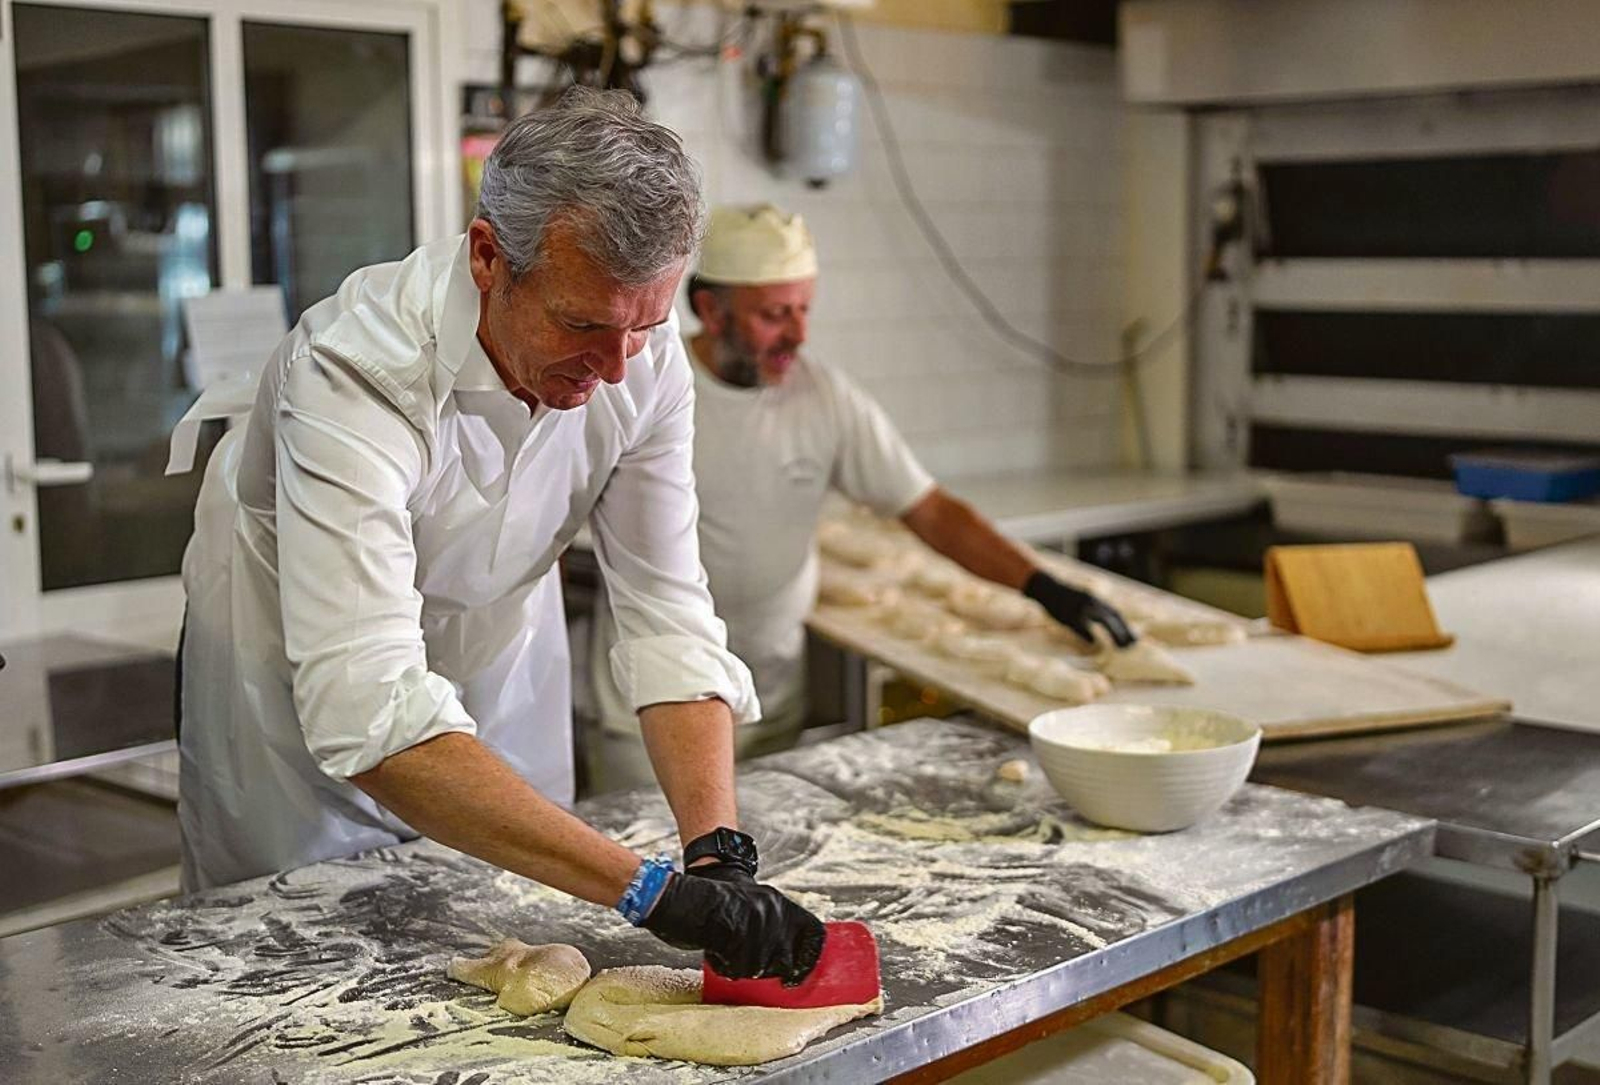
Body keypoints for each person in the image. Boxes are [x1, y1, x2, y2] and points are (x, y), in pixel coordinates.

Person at [171, 92, 822, 984]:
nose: (615, 368)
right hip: (292, 697)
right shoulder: (354, 371)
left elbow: (668, 613)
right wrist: (650, 896)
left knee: (507, 950)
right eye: (582, 324)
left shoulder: (639, 355)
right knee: (301, 974)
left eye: (646, 325)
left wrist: (716, 856)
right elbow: (366, 706)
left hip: (496, 656)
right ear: (487, 258)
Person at [588, 203, 1133, 790]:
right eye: (774, 315)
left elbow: (928, 510)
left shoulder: (821, 397)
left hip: (768, 707)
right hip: (650, 719)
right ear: (710, 310)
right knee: (655, 875)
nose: (798, 334)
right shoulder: (645, 390)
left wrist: (1045, 588)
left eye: (803, 310)